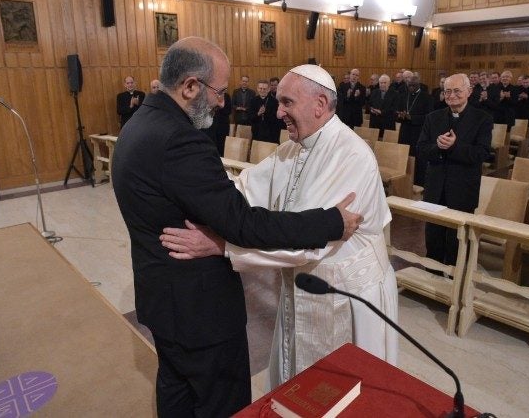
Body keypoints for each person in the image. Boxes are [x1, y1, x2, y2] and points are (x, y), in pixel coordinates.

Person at [111, 37, 363, 417]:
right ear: (191, 86)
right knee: (221, 404)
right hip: (200, 315)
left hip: (162, 301)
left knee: (176, 392)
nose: (221, 101)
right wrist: (330, 221)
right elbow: (243, 224)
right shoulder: (180, 140)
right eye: (219, 91)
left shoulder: (138, 124)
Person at [161, 64, 398, 388]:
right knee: (300, 384)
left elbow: (310, 241)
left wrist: (223, 247)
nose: (278, 112)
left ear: (319, 104)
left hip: (346, 295)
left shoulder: (351, 155)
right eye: (278, 101)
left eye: (287, 102)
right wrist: (198, 175)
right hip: (302, 287)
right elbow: (244, 190)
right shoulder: (291, 149)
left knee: (345, 392)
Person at [418, 73, 492, 268]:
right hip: (435, 188)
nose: (452, 95)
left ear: (468, 91)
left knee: (456, 242)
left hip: (462, 189)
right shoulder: (433, 117)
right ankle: (431, 275)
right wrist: (438, 147)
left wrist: (454, 146)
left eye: (457, 91)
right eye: (447, 91)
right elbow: (422, 149)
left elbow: (482, 154)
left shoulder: (482, 119)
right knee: (433, 237)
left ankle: (452, 282)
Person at [397, 75, 434, 185]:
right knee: (404, 158)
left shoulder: (427, 98)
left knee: (417, 160)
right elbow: (396, 112)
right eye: (409, 85)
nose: (411, 88)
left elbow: (429, 117)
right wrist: (400, 115)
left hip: (418, 133)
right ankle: (403, 182)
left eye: (413, 85)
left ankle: (418, 184)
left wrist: (412, 117)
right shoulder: (403, 96)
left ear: (419, 84)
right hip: (404, 132)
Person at [368, 74, 399, 138]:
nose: (382, 84)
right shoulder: (374, 92)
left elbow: (394, 109)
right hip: (374, 124)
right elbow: (369, 104)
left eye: (384, 83)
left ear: (389, 83)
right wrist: (371, 109)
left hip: (387, 124)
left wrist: (381, 112)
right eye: (381, 83)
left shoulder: (395, 94)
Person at [201, 91, 232, 155]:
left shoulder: (226, 96)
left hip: (222, 124)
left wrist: (219, 106)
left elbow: (229, 111)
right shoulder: (208, 94)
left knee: (221, 145)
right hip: (210, 125)